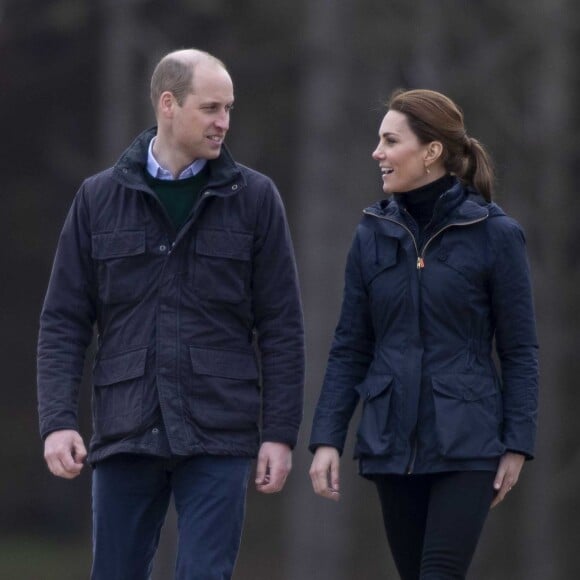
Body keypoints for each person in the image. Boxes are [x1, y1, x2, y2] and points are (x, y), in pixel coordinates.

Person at [37, 48, 304, 580]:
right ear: (168, 104)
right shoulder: (97, 199)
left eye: (228, 108)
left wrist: (278, 431)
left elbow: (281, 326)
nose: (223, 122)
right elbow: (64, 321)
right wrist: (57, 421)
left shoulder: (255, 199)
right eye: (210, 108)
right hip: (126, 424)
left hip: (219, 429)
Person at [309, 89, 538, 579]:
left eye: (390, 141)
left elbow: (519, 350)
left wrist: (516, 443)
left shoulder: (496, 235)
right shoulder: (371, 233)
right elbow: (350, 346)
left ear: (431, 152)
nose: (378, 153)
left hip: (469, 443)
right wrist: (327, 438)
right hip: (391, 442)